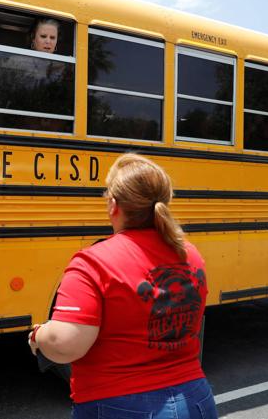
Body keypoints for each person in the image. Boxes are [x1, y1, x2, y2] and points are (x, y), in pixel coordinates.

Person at [28, 153, 217, 419]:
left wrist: (39, 336)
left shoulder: (93, 262)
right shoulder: (190, 254)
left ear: (113, 205)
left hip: (119, 404)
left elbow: (65, 343)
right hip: (196, 400)